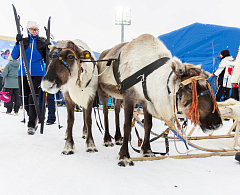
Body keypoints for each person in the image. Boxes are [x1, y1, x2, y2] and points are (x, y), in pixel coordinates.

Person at [11, 21, 49, 135]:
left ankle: (31, 124)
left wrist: (49, 50)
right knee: (24, 98)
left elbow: (48, 61)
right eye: (32, 29)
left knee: (32, 98)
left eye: (36, 29)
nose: (34, 31)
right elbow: (14, 56)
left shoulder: (42, 43)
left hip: (37, 74)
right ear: (28, 30)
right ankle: (34, 116)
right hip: (23, 73)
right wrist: (17, 43)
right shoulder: (24, 42)